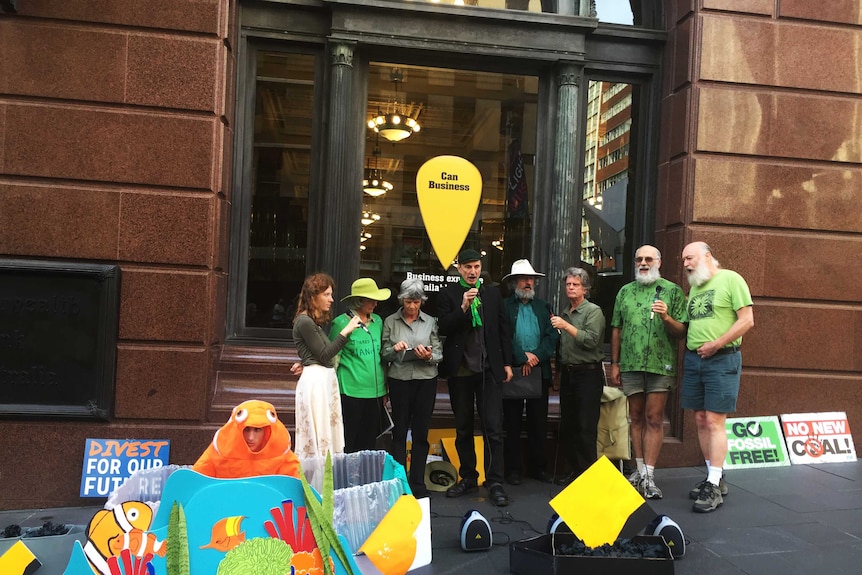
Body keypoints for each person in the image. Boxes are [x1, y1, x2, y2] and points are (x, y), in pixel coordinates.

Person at [609, 245, 688, 499]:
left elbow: (681, 332)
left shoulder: (672, 291)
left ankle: (650, 475)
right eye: (639, 259)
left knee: (654, 418)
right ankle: (639, 471)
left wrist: (666, 317)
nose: (643, 263)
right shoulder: (625, 292)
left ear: (659, 262)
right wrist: (615, 362)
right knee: (636, 417)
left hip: (660, 364)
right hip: (631, 363)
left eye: (648, 259)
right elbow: (616, 329)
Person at [437, 248, 514, 507]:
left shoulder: (492, 293)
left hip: (489, 368)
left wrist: (506, 363)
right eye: (468, 267)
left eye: (477, 267)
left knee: (493, 428)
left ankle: (495, 481)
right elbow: (444, 327)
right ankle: (468, 477)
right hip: (461, 370)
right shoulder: (448, 293)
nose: (472, 272)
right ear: (459, 269)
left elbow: (503, 328)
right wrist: (463, 307)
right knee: (463, 428)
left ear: (481, 268)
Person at [681, 241, 754, 513]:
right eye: (683, 260)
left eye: (690, 258)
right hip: (695, 360)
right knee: (700, 419)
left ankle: (714, 486)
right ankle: (715, 476)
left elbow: (747, 320)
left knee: (714, 420)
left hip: (722, 359)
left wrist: (717, 344)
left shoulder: (731, 279)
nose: (686, 264)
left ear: (707, 255)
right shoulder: (695, 288)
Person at [381, 278, 442, 498]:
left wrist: (429, 356)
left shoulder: (430, 322)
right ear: (402, 300)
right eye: (408, 301)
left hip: (426, 380)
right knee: (399, 431)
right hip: (400, 380)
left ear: (421, 302)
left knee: (421, 432)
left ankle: (417, 482)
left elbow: (439, 353)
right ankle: (400, 481)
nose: (412, 306)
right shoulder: (390, 321)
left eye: (416, 302)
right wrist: (395, 349)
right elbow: (384, 353)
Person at [292, 273, 364, 460]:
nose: (331, 300)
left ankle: (324, 480)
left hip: (322, 381)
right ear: (313, 296)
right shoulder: (305, 321)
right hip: (316, 384)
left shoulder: (311, 322)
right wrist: (347, 330)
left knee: (325, 436)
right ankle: (316, 483)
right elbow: (325, 354)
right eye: (327, 295)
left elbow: (319, 354)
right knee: (318, 438)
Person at [501, 259, 558, 485]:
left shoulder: (543, 306)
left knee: (538, 422)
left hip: (539, 372)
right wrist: (522, 357)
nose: (528, 282)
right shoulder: (505, 307)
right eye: (524, 279)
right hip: (512, 371)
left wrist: (535, 357)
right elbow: (503, 336)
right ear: (514, 282)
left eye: (531, 279)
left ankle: (538, 468)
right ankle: (513, 469)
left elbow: (552, 336)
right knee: (512, 423)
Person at [550, 267, 606, 486]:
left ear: (585, 288)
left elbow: (591, 340)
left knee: (586, 426)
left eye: (575, 285)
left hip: (588, 375)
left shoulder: (593, 311)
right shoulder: (566, 311)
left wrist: (566, 326)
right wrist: (558, 373)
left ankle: (588, 476)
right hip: (568, 373)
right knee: (570, 425)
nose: (570, 288)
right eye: (568, 284)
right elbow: (561, 346)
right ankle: (574, 472)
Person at [330, 277, 391, 453]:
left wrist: (385, 388)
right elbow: (333, 358)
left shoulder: (378, 321)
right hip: (350, 391)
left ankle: (365, 478)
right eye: (370, 299)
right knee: (350, 440)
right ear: (358, 300)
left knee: (370, 442)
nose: (375, 303)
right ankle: (347, 478)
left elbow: (382, 356)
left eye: (375, 299)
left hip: (376, 392)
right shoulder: (341, 323)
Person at [193, 399, 301, 478]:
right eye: (246, 429)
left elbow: (295, 495)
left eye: (257, 430)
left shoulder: (284, 457)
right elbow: (195, 483)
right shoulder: (218, 452)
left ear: (268, 431)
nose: (251, 437)